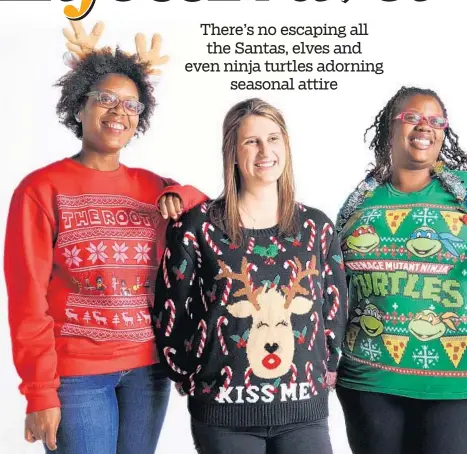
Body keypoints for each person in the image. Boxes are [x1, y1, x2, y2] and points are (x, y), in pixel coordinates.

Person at [4, 21, 207, 454]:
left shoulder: (154, 186)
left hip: (149, 372)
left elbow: (209, 211)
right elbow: (27, 299)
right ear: (79, 107)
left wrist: (182, 193)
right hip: (76, 376)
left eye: (132, 105)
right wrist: (40, 392)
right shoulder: (41, 189)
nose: (119, 112)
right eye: (106, 100)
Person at [335, 86, 467, 454]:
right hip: (370, 383)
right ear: (389, 130)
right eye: (412, 117)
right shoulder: (359, 203)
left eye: (435, 120)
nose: (424, 126)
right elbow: (335, 286)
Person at [152, 98, 347, 454]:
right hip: (223, 413)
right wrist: (184, 368)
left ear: (285, 146)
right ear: (233, 151)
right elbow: (171, 305)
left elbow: (334, 301)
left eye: (273, 139)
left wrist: (330, 361)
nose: (264, 151)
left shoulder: (316, 227)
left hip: (303, 409)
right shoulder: (198, 228)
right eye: (251, 141)